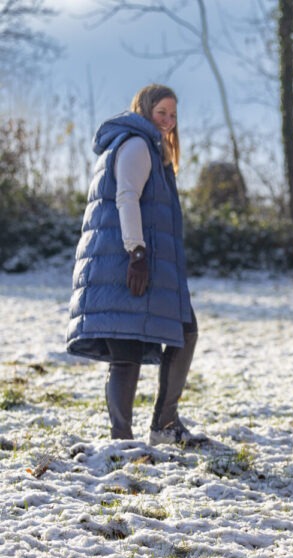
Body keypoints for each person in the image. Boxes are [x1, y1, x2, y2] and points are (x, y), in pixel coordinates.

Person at [66, 84, 206, 446]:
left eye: (173, 115)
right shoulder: (137, 145)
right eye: (162, 113)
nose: (168, 121)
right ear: (144, 109)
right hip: (125, 261)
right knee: (128, 350)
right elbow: (126, 198)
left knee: (181, 331)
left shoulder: (146, 146)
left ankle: (162, 425)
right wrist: (137, 254)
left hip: (133, 260)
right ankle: (124, 438)